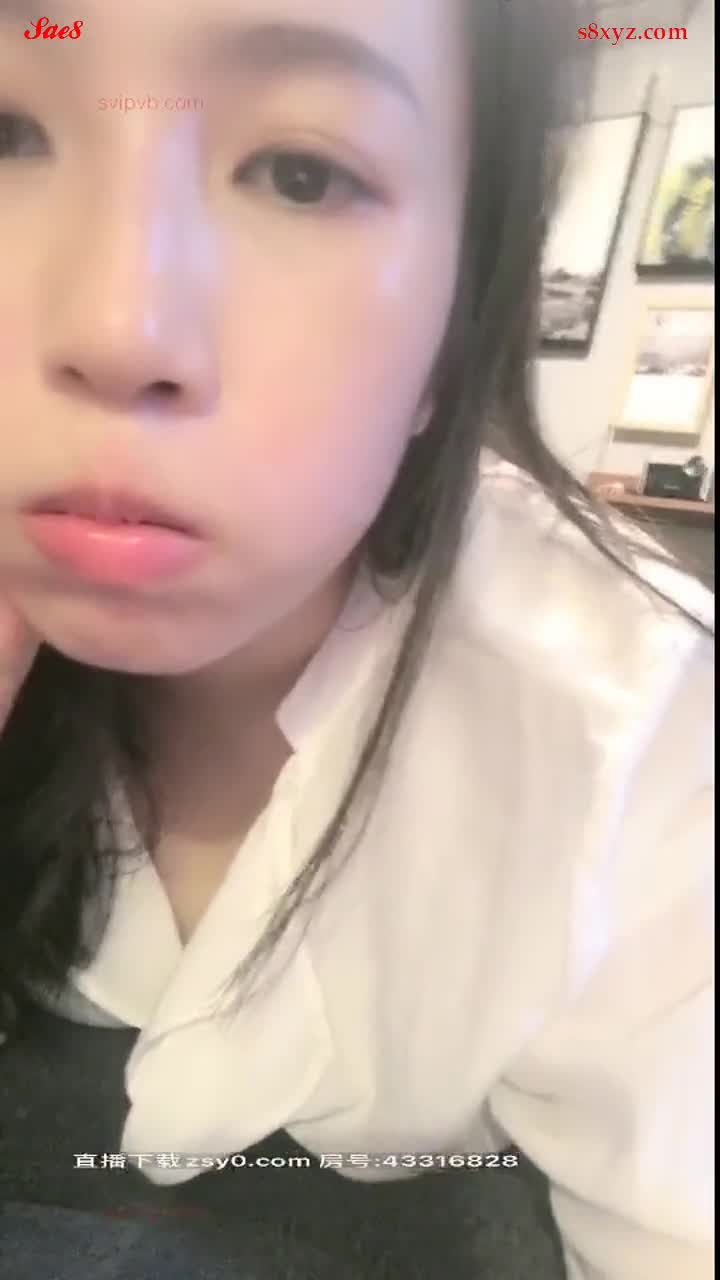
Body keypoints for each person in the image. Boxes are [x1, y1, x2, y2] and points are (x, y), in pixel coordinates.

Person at [0, 1, 713, 1276]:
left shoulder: (634, 728)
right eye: (6, 136)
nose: (119, 328)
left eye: (299, 172)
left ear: (460, 308)